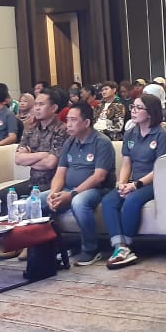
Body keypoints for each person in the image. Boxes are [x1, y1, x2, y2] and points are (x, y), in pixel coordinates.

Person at [101, 94, 166, 269]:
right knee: (109, 200)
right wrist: (122, 183)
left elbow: (160, 169)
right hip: (133, 181)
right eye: (133, 107)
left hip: (154, 183)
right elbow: (127, 163)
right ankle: (119, 246)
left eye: (138, 108)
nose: (133, 111)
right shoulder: (130, 133)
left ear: (150, 113)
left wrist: (136, 185)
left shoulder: (162, 136)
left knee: (132, 201)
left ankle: (126, 245)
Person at [46, 103, 116, 266]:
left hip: (98, 189)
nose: (68, 124)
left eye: (73, 120)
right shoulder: (70, 142)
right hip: (69, 189)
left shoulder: (102, 142)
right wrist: (53, 193)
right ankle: (52, 246)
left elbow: (99, 177)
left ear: (86, 123)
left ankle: (91, 249)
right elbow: (60, 173)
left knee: (79, 202)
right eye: (67, 120)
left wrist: (72, 194)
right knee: (36, 201)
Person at [6, 88, 69, 197]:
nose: (37, 108)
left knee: (30, 200)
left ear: (54, 108)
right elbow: (18, 159)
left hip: (53, 183)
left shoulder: (62, 129)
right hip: (33, 182)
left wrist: (28, 158)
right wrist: (43, 154)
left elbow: (50, 163)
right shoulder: (30, 128)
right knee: (3, 196)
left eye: (41, 104)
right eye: (35, 104)